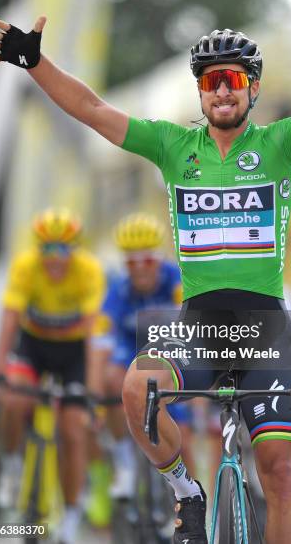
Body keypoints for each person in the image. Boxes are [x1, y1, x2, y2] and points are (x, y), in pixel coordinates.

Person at [0, 0, 291, 544]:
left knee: (281, 472)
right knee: (134, 389)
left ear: (253, 89)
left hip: (263, 331)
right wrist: (36, 64)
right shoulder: (173, 147)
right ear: (200, 90)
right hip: (197, 326)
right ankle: (186, 494)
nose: (223, 88)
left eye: (234, 79)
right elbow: (93, 108)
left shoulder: (278, 145)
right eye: (213, 79)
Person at [0, 208, 105, 544]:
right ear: (37, 248)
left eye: (63, 250)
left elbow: (93, 337)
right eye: (47, 249)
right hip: (35, 346)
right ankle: (13, 466)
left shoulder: (89, 271)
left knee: (73, 429)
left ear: (75, 249)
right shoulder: (25, 266)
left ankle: (70, 516)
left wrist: (93, 395)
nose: (54, 258)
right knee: (13, 399)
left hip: (74, 354)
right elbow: (10, 320)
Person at [87, 212, 194, 513]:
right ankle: (124, 460)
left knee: (183, 435)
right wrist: (96, 399)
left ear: (159, 260)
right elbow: (100, 346)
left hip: (167, 353)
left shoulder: (177, 282)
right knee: (112, 378)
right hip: (130, 349)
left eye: (146, 261)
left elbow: (192, 334)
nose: (139, 270)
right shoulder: (117, 290)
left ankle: (191, 501)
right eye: (131, 262)